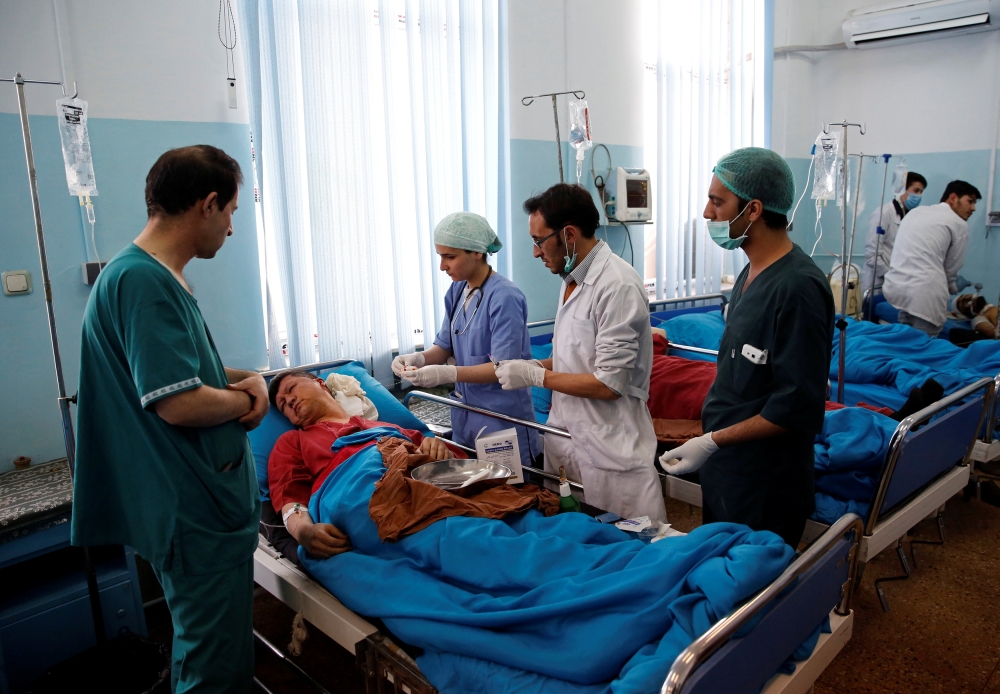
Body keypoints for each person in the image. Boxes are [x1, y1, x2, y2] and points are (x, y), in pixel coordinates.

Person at [71, 146, 266, 694]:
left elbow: (179, 368)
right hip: (191, 509)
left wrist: (243, 375)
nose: (231, 228)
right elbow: (177, 401)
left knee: (204, 648)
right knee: (217, 670)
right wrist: (252, 401)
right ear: (207, 204)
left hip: (188, 504)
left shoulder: (142, 275)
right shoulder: (144, 284)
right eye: (231, 212)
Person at [659, 147, 835, 547]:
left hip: (767, 479)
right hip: (730, 468)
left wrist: (712, 440)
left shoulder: (797, 289)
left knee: (755, 592)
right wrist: (713, 443)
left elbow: (796, 408)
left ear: (753, 209)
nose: (707, 213)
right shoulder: (748, 274)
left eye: (717, 201)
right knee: (723, 573)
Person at [494, 184, 666, 522]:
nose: (535, 253)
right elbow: (575, 358)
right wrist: (533, 364)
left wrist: (536, 376)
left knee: (631, 552)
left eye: (538, 241)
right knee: (578, 539)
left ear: (568, 234)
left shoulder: (617, 285)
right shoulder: (572, 278)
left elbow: (608, 384)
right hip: (567, 437)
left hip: (611, 448)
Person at [392, 212, 540, 466]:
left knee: (510, 496)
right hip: (466, 415)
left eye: (450, 257)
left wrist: (448, 374)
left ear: (477, 252)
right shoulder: (457, 290)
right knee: (474, 493)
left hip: (501, 418)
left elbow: (503, 369)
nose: (442, 266)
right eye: (441, 256)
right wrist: (418, 358)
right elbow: (444, 346)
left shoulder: (505, 297)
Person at [266, 370, 458, 557]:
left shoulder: (389, 428)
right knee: (456, 540)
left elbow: (458, 469)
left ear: (320, 383)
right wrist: (303, 531)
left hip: (429, 493)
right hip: (365, 501)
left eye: (291, 389)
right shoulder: (292, 442)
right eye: (283, 405)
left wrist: (439, 450)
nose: (289, 401)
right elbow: (291, 498)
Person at [883, 180, 980, 337]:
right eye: (970, 201)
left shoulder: (916, 212)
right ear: (953, 198)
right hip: (925, 293)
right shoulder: (958, 224)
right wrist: (952, 287)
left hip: (898, 287)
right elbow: (951, 269)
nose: (973, 208)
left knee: (904, 339)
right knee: (923, 347)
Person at [861, 171, 926, 293]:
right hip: (878, 281)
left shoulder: (909, 216)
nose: (919, 195)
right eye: (916, 191)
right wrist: (890, 277)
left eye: (921, 192)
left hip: (897, 281)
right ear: (902, 189)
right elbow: (871, 255)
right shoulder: (883, 214)